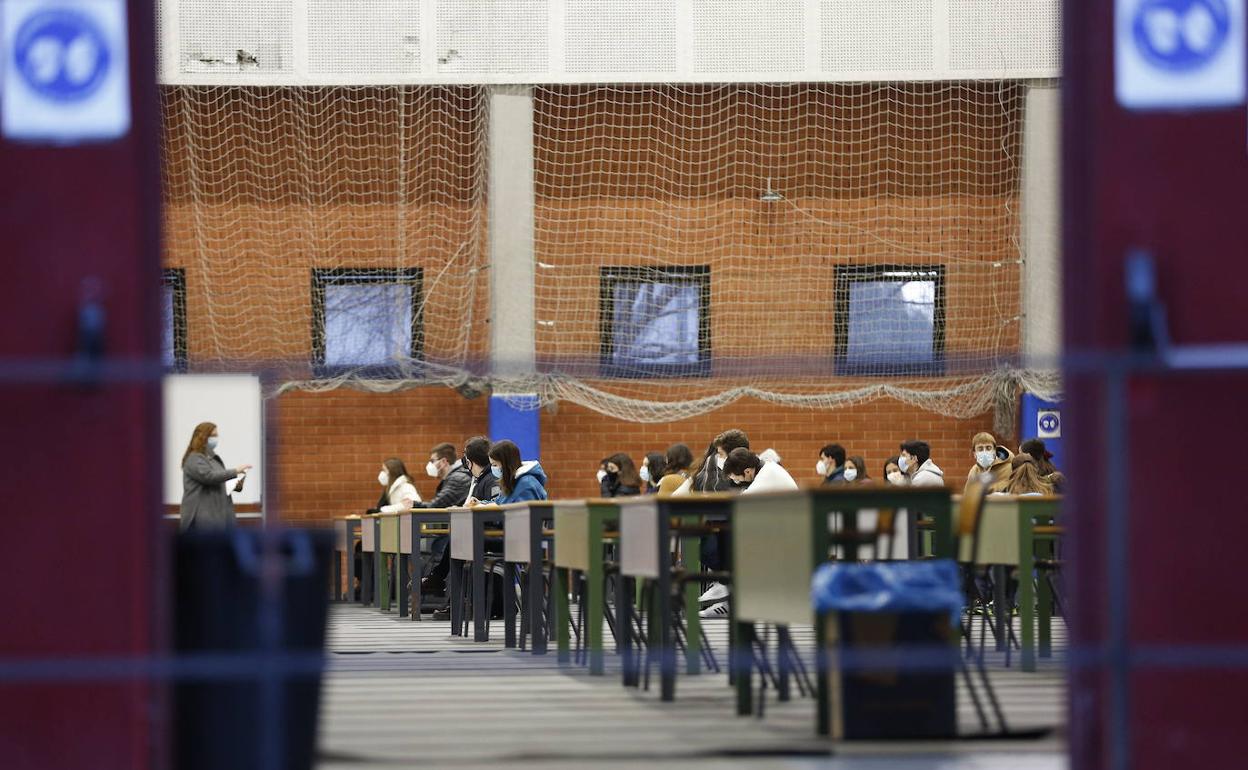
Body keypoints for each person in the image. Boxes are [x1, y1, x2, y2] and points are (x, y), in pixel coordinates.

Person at [700, 448, 798, 618]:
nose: (735, 482)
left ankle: (726, 589)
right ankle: (726, 590)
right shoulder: (768, 468)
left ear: (747, 471)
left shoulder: (766, 475)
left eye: (735, 478)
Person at [410, 443, 474, 596]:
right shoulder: (455, 476)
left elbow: (436, 506)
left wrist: (414, 504)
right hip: (452, 530)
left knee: (430, 544)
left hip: (453, 533)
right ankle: (436, 583)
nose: (430, 465)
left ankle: (437, 584)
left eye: (432, 460)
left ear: (444, 462)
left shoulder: (457, 478)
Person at [179, 421, 251, 532]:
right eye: (213, 435)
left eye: (216, 435)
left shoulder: (213, 459)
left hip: (219, 515)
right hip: (201, 518)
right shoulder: (194, 458)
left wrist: (235, 484)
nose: (216, 438)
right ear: (203, 437)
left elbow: (219, 479)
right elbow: (209, 477)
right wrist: (235, 471)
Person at [470, 439, 548, 505]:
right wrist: (480, 503)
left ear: (506, 464)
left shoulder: (526, 484)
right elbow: (498, 503)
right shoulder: (511, 483)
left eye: (495, 465)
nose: (493, 468)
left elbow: (525, 517)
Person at [723, 447, 800, 495]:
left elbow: (741, 502)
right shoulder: (768, 466)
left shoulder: (765, 475)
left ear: (747, 471)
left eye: (738, 479)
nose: (738, 481)